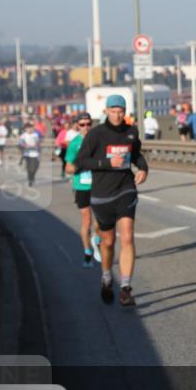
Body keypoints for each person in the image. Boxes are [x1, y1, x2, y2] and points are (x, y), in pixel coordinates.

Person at [73, 94, 149, 306]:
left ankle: (125, 287)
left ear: (125, 112)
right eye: (113, 111)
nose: (117, 115)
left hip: (125, 189)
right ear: (106, 111)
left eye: (121, 111)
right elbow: (81, 161)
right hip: (101, 194)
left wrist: (143, 168)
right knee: (108, 242)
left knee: (127, 236)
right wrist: (106, 162)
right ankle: (106, 277)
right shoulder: (96, 134)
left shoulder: (131, 132)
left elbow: (136, 155)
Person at [64, 113, 102, 267]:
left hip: (99, 185)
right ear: (77, 126)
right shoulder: (74, 143)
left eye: (88, 124)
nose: (86, 127)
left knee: (101, 221)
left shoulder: (99, 141)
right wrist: (81, 165)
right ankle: (87, 253)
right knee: (87, 220)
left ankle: (96, 242)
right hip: (81, 186)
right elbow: (68, 168)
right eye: (82, 124)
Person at [19, 121, 42, 186]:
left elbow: (38, 142)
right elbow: (20, 143)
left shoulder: (36, 134)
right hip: (27, 154)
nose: (29, 129)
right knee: (29, 167)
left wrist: (36, 144)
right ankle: (30, 179)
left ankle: (33, 176)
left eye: (30, 128)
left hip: (35, 153)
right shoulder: (23, 135)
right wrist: (24, 145)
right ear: (25, 129)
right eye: (27, 128)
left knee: (35, 167)